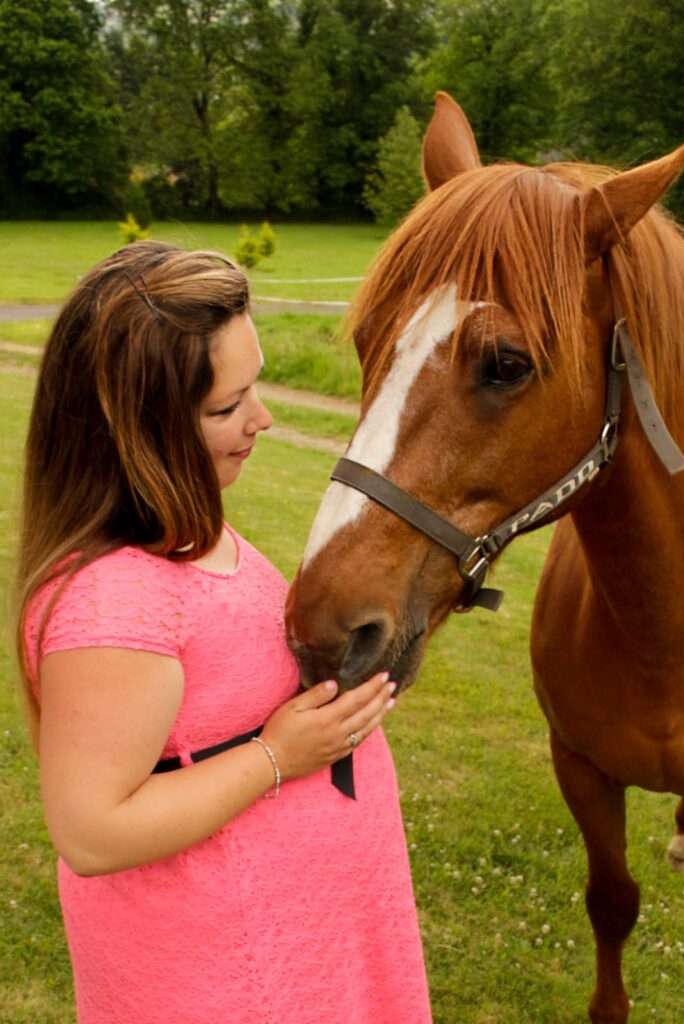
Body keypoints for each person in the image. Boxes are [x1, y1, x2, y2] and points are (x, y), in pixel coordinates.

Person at [15, 241, 432, 1024]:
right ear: (136, 427)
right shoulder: (111, 607)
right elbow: (92, 832)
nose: (262, 418)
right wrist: (278, 756)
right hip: (228, 978)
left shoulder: (186, 532)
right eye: (225, 407)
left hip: (302, 953)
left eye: (256, 385)